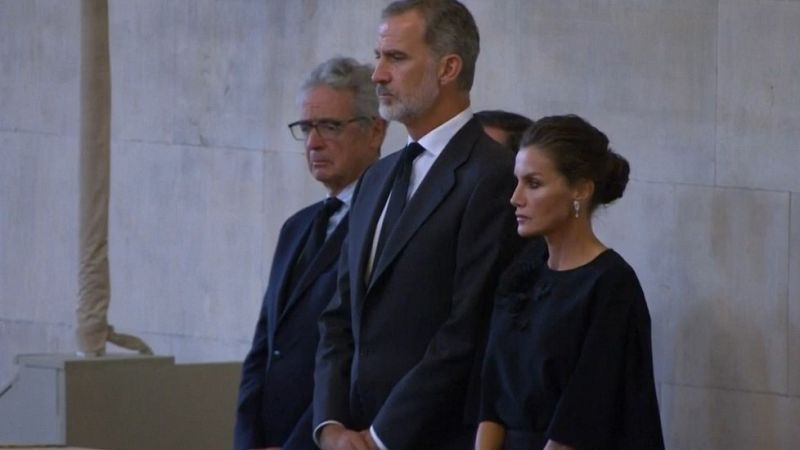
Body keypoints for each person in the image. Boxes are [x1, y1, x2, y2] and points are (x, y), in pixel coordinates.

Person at [312, 1, 521, 449]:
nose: (377, 74)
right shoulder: (376, 177)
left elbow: (466, 329)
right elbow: (339, 317)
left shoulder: (493, 175)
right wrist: (330, 427)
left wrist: (380, 437)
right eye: (378, 56)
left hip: (433, 437)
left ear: (448, 68)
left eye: (396, 57)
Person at [476, 115, 665, 450]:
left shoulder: (611, 284)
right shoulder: (520, 273)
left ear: (580, 189)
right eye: (517, 181)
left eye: (533, 184)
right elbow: (490, 398)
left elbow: (584, 415)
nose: (515, 198)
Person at [234, 57, 387, 450]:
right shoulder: (297, 226)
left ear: (375, 132)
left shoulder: (388, 225)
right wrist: (247, 439)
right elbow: (263, 349)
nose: (314, 142)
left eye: (330, 127)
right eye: (306, 128)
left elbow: (358, 357)